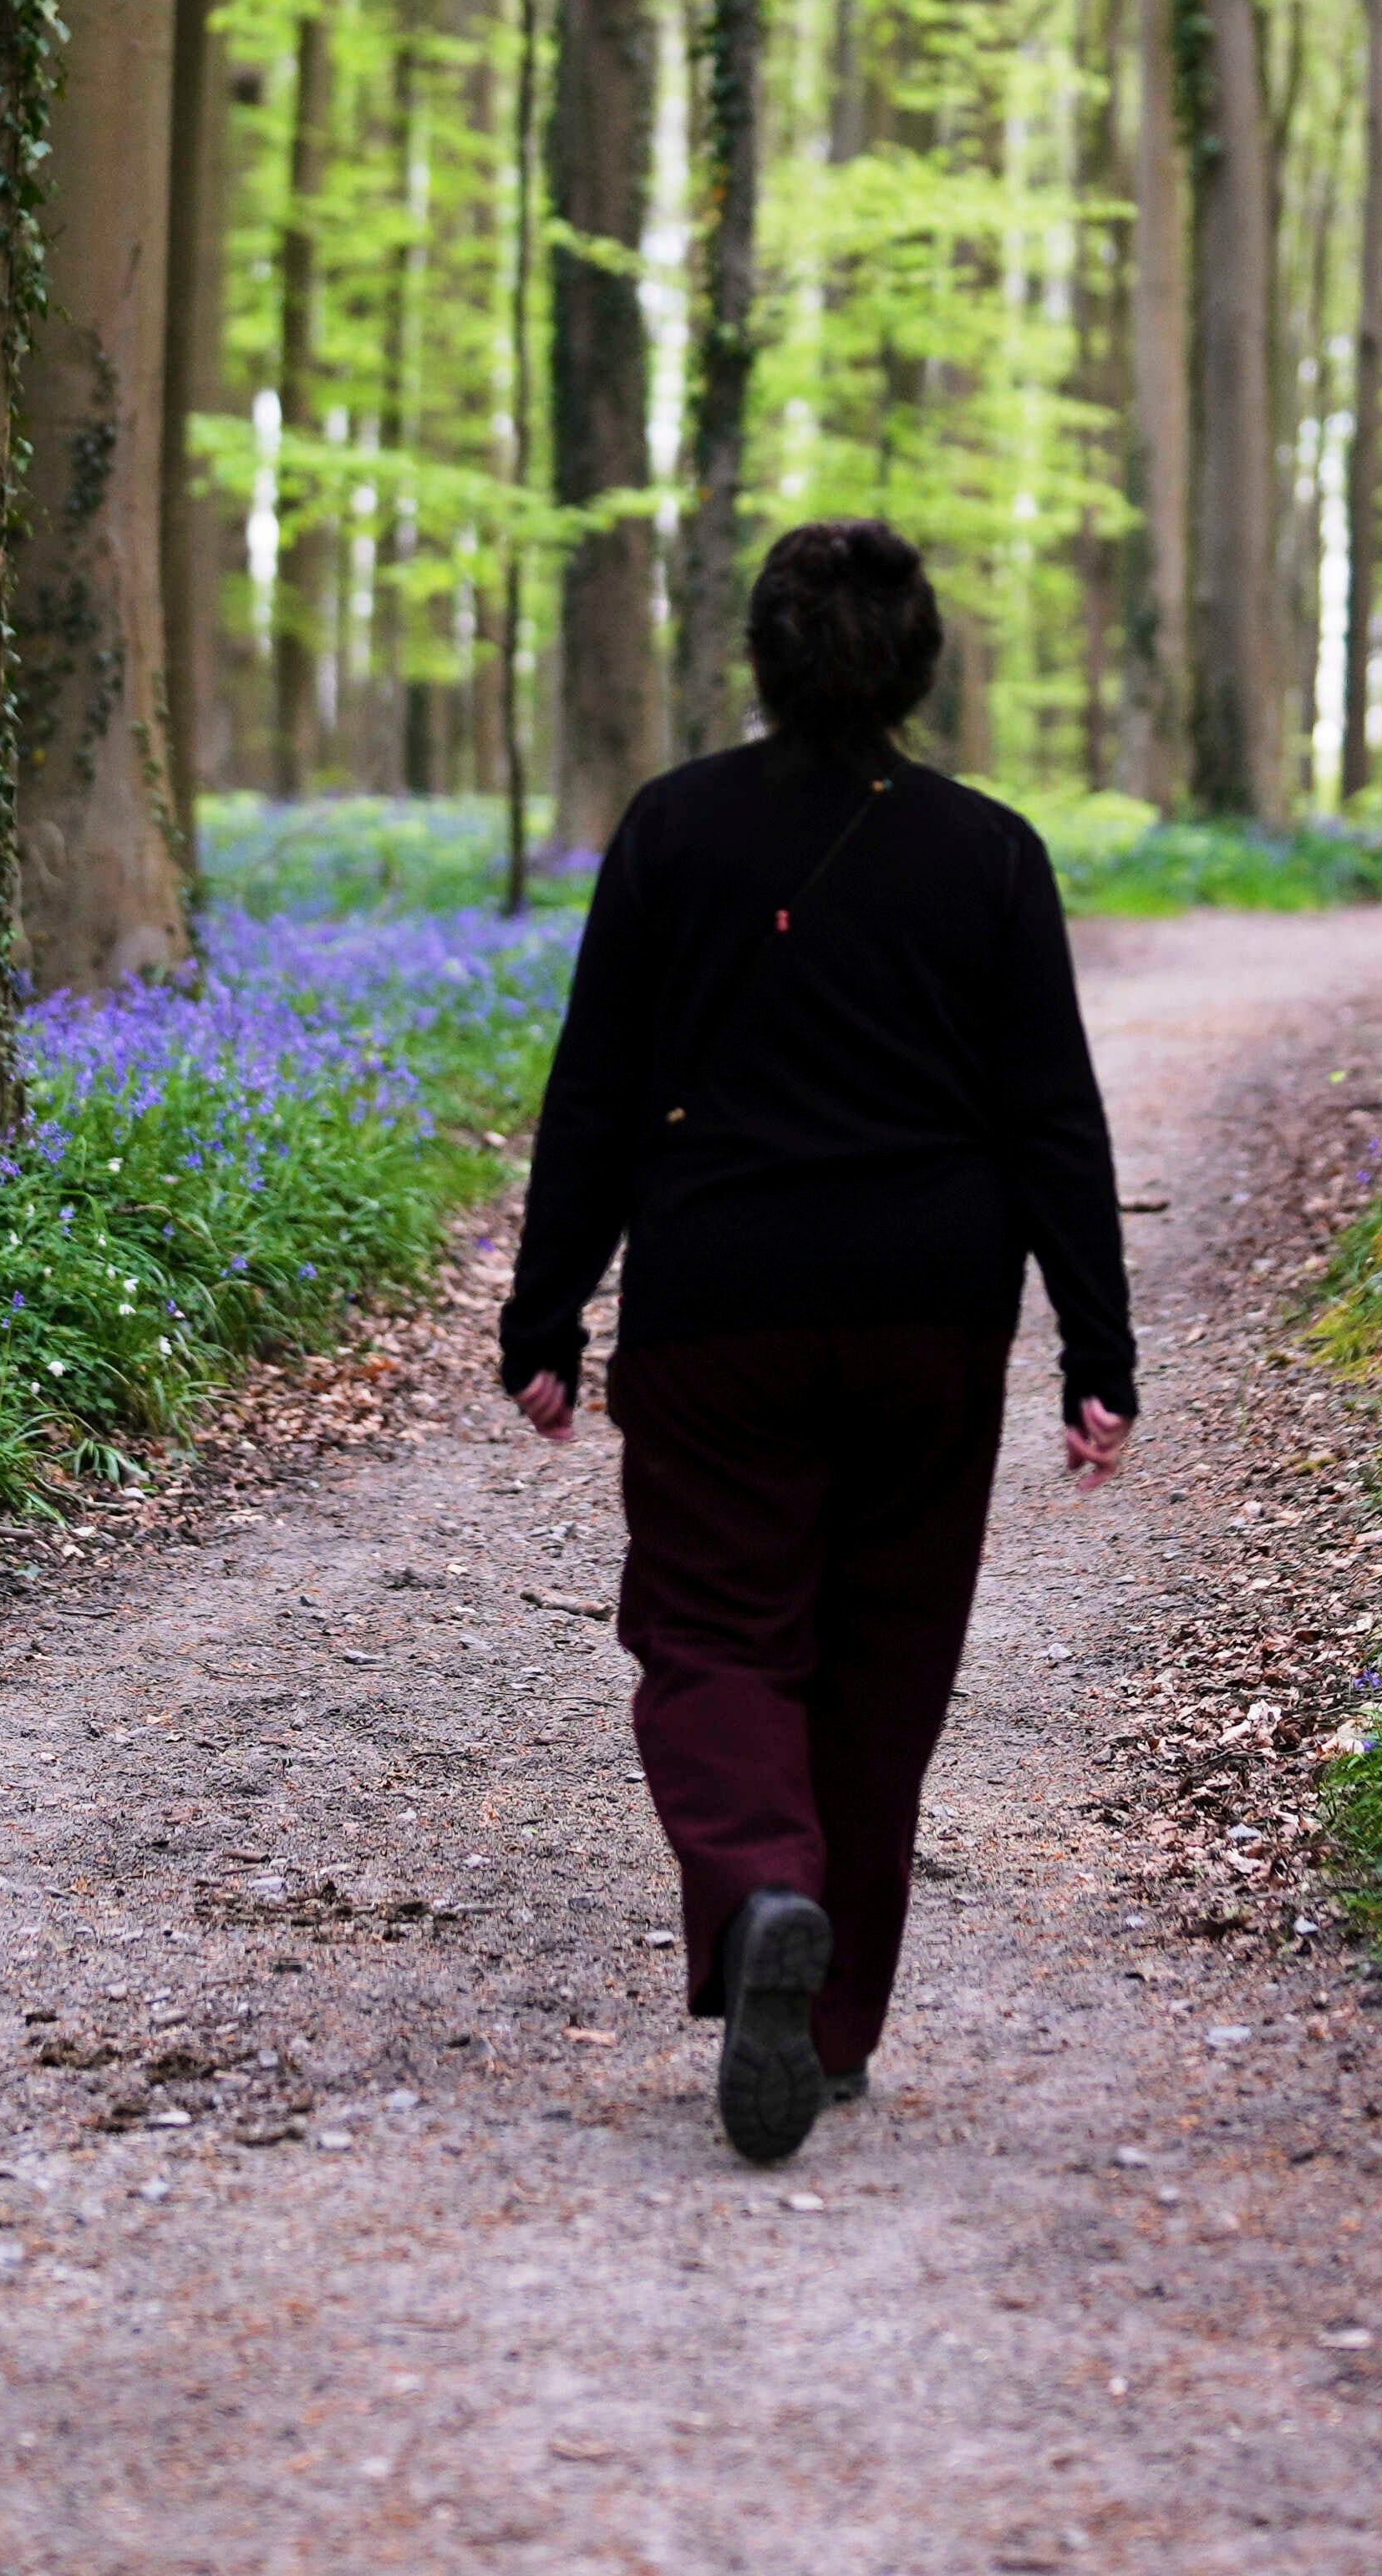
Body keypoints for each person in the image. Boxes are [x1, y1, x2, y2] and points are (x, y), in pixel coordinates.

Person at [499, 515, 1135, 2167]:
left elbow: (595, 1090)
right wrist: (1097, 1350)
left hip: (719, 1308)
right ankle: (831, 2026)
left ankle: (761, 1887)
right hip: (933, 1313)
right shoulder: (989, 852)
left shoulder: (670, 828)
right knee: (883, 1662)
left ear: (763, 657)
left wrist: (545, 1309)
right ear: (919, 666)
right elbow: (1052, 1117)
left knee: (715, 1633)